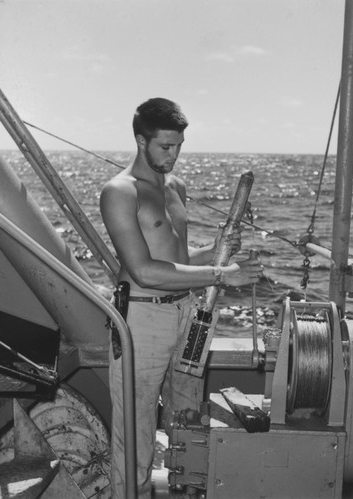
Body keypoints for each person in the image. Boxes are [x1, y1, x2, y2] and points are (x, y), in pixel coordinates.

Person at [100, 97, 263, 498]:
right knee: (134, 437)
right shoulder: (120, 192)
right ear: (141, 141)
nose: (173, 155)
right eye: (165, 147)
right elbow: (144, 271)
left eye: (178, 146)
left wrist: (218, 252)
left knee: (187, 423)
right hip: (142, 321)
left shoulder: (176, 188)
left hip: (189, 314)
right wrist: (222, 275)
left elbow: (176, 260)